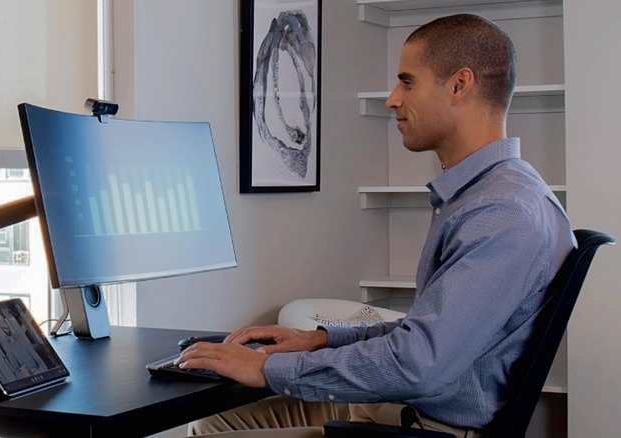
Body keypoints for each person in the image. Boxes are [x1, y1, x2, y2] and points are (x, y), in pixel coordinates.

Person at [175, 13, 576, 438]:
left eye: (407, 82)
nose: (392, 99)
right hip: (397, 409)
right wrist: (322, 340)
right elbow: (429, 331)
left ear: (460, 85)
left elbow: (416, 362)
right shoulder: (495, 194)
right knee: (212, 424)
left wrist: (267, 366)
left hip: (422, 426)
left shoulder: (501, 214)